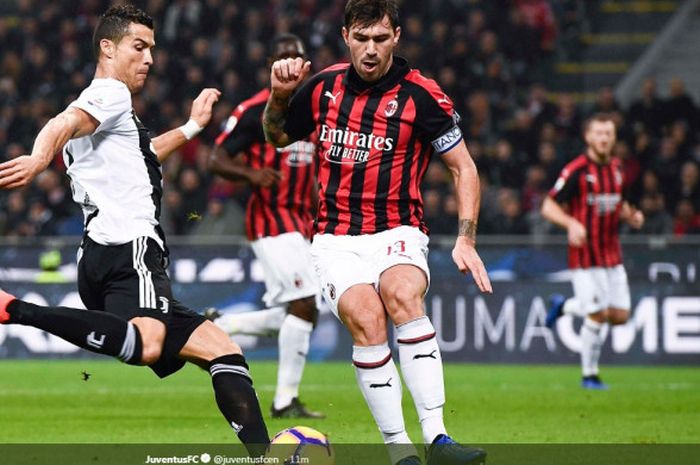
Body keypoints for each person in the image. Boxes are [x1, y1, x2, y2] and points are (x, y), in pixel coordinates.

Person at [0, 5, 269, 455]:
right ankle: (15, 310)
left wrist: (191, 127)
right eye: (138, 47)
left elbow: (143, 157)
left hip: (99, 254)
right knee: (148, 345)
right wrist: (38, 158)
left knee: (222, 351)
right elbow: (60, 124)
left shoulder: (106, 111)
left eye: (151, 49)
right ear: (108, 47)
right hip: (132, 249)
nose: (149, 59)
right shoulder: (111, 95)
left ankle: (265, 457)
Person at [262, 1, 492, 464]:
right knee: (368, 321)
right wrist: (279, 96)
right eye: (362, 38)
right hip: (334, 238)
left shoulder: (422, 95)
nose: (371, 50)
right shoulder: (323, 87)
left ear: (397, 37)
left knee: (403, 295)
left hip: (398, 230)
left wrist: (466, 237)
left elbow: (463, 167)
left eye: (381, 39)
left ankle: (438, 439)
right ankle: (400, 452)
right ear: (346, 35)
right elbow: (276, 137)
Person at [207, 33, 323, 419]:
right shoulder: (256, 109)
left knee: (303, 309)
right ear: (272, 64)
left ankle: (224, 324)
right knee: (304, 302)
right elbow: (216, 159)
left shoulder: (316, 110)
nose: (291, 64)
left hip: (302, 223)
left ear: (307, 65)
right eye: (283, 58)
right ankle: (284, 401)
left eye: (298, 57)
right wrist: (252, 175)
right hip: (271, 221)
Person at [541, 113, 644, 390]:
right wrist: (571, 222)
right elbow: (548, 206)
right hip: (585, 255)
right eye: (598, 133)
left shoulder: (618, 168)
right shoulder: (576, 170)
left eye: (608, 134)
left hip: (612, 254)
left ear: (614, 138)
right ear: (588, 137)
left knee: (620, 316)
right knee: (597, 314)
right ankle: (589, 375)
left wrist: (631, 216)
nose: (603, 138)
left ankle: (563, 306)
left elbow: (617, 204)